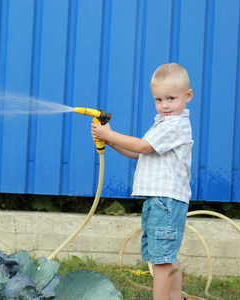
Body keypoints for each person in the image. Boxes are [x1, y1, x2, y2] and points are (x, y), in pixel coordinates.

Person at [91, 63, 193, 300]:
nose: (164, 105)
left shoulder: (175, 125)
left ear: (188, 96)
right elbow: (140, 152)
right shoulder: (164, 124)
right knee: (166, 256)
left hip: (165, 201)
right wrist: (112, 142)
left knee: (161, 260)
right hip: (162, 200)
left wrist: (109, 135)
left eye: (170, 98)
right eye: (158, 99)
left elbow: (142, 146)